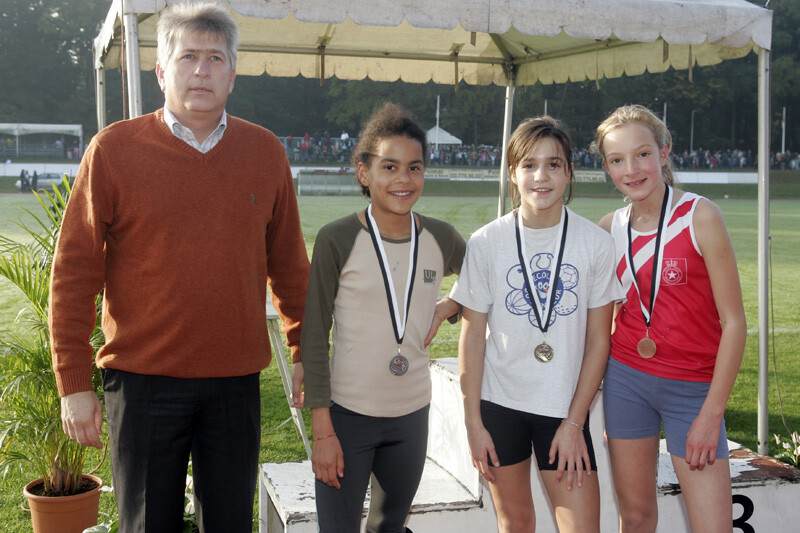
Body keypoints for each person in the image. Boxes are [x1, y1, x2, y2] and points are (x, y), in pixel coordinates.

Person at [48, 4, 309, 532]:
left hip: (234, 382)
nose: (201, 70)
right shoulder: (113, 151)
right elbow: (74, 273)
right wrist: (73, 382)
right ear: (162, 71)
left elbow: (289, 266)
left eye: (215, 58)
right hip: (142, 383)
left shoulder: (264, 153)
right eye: (188, 56)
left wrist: (305, 351)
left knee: (231, 523)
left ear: (232, 76)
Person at [450, 116, 623, 533]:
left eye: (553, 164)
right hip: (499, 406)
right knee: (515, 523)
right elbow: (472, 339)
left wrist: (575, 422)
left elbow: (599, 341)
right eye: (529, 164)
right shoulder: (486, 241)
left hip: (564, 410)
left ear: (569, 172)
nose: (541, 176)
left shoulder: (596, 243)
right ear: (513, 172)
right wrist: (473, 423)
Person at [302, 102, 465, 533]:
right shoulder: (337, 238)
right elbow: (314, 335)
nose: (403, 179)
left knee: (388, 527)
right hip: (346, 416)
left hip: (411, 413)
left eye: (414, 168)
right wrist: (323, 431)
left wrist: (451, 304)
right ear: (364, 173)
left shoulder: (440, 237)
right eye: (389, 167)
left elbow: (482, 281)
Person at [593, 104, 746, 533]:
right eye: (617, 160)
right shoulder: (608, 229)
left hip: (693, 389)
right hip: (626, 381)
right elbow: (601, 320)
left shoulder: (701, 216)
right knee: (635, 518)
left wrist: (712, 414)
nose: (631, 170)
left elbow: (734, 323)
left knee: (713, 527)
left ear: (663, 152)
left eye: (642, 154)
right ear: (606, 167)